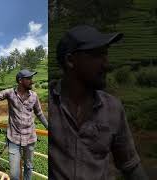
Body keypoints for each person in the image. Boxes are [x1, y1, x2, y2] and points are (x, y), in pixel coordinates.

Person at [50, 25, 148, 180]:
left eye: (106, 55)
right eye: (97, 55)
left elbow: (130, 166)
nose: (106, 64)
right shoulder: (50, 104)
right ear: (70, 60)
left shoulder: (113, 108)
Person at [0, 69, 48, 180]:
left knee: (28, 166)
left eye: (31, 78)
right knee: (14, 173)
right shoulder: (10, 93)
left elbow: (39, 113)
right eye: (28, 79)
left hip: (30, 139)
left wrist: (48, 127)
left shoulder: (34, 96)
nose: (31, 81)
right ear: (20, 80)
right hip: (13, 139)